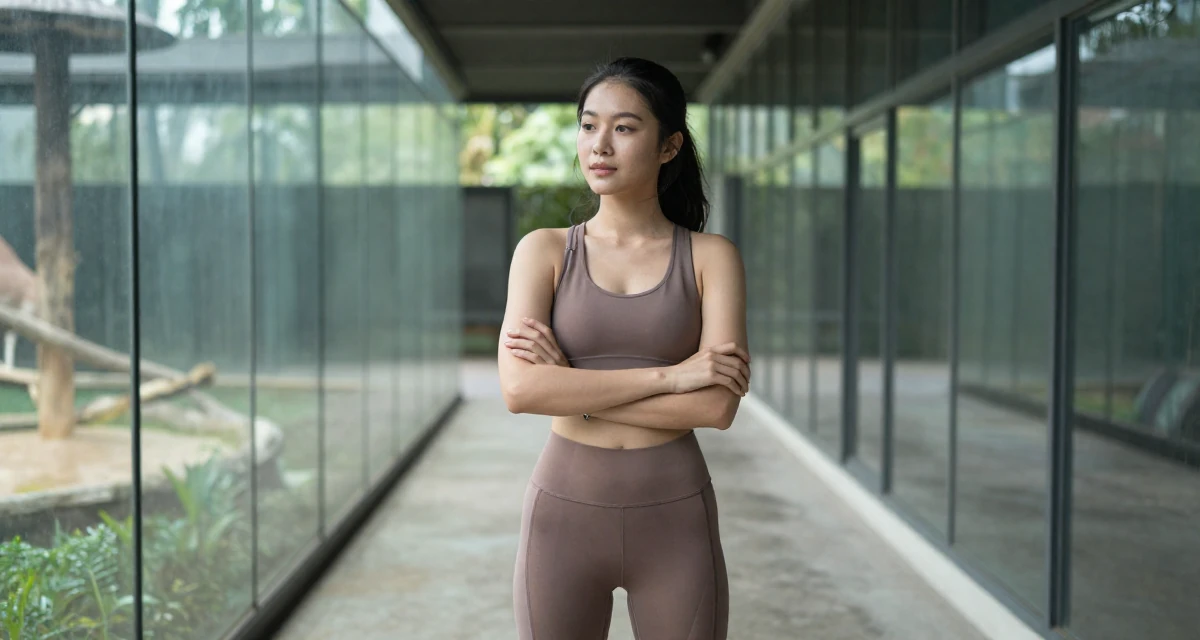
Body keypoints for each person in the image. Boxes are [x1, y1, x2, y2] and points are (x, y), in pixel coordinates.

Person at [498, 57, 750, 639]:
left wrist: (569, 385)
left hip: (676, 520)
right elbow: (519, 390)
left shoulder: (712, 257)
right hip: (561, 518)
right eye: (588, 126)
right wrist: (671, 377)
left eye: (625, 127)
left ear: (669, 146)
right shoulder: (543, 251)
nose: (600, 145)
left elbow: (715, 407)